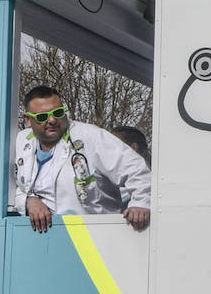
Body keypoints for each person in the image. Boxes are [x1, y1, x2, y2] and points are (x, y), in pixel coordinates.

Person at [13, 86, 152, 233]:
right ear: (28, 120)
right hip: (45, 237)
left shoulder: (91, 136)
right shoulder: (21, 142)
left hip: (97, 238)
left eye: (58, 113)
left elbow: (135, 169)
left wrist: (141, 203)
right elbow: (14, 187)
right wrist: (29, 201)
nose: (52, 120)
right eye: (42, 117)